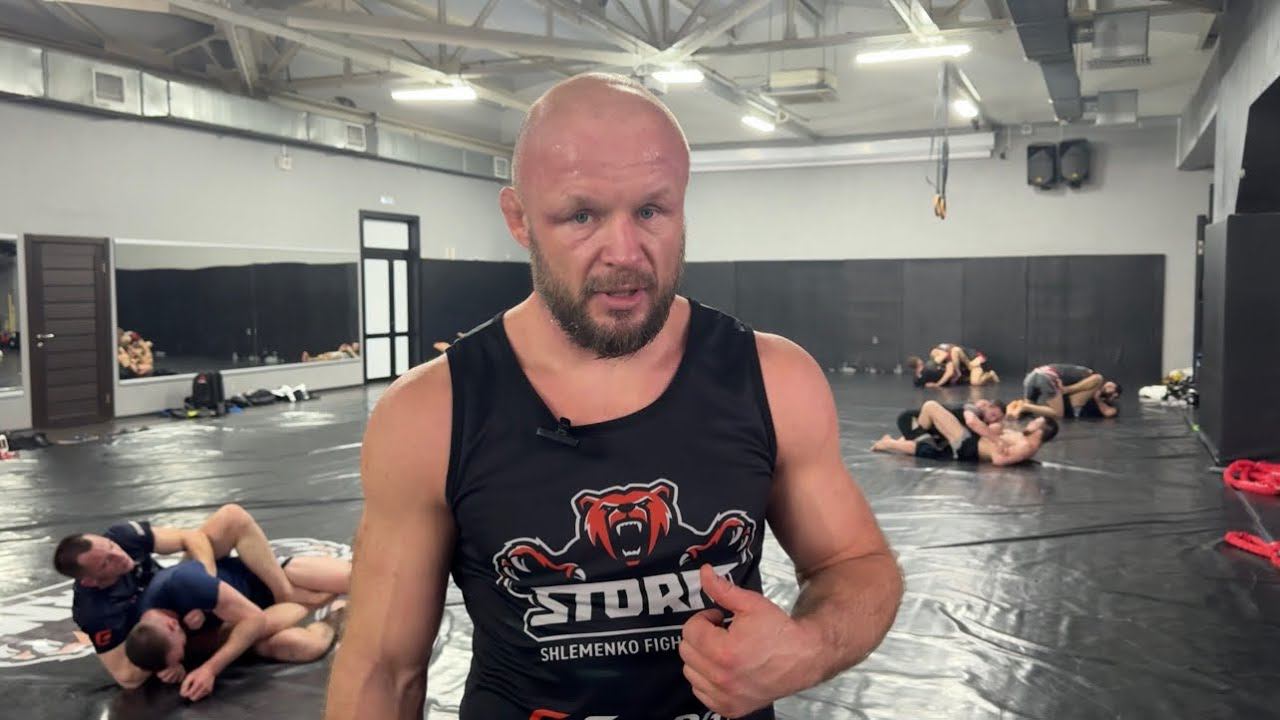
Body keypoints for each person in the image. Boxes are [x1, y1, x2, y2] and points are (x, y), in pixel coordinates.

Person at [325, 73, 903, 720]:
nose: (625, 253)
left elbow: (855, 562)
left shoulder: (772, 379)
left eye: (651, 211)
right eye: (582, 215)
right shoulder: (431, 414)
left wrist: (807, 648)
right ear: (519, 220)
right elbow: (382, 672)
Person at [52, 504, 348, 689]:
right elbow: (127, 676)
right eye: (107, 563)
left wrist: (205, 577)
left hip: (202, 594)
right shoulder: (96, 610)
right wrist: (165, 659)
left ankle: (290, 595)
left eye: (111, 547)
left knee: (232, 517)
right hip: (186, 628)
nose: (119, 556)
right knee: (301, 645)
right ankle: (330, 609)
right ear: (89, 580)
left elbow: (191, 537)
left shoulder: (124, 541)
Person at [124, 558, 346, 702]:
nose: (185, 648)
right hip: (255, 615)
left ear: (172, 625)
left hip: (273, 579)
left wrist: (210, 669)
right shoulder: (148, 628)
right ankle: (334, 614)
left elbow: (256, 619)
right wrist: (172, 667)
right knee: (303, 646)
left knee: (353, 579)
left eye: (181, 648)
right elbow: (152, 655)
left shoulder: (183, 585)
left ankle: (324, 605)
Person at [872, 400, 1058, 466]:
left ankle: (893, 442)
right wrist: (997, 434)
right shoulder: (1024, 440)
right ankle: (894, 442)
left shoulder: (1026, 446)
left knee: (930, 406)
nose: (1031, 422)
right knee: (930, 437)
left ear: (1040, 431)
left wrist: (996, 442)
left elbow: (999, 460)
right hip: (971, 441)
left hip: (968, 446)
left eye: (1035, 422)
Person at [1010, 363, 1122, 420]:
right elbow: (1096, 378)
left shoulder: (1110, 405)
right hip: (1046, 377)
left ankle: (1019, 408)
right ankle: (1024, 406)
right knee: (1057, 413)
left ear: (1115, 395)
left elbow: (1109, 413)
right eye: (1108, 384)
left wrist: (1097, 399)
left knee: (1025, 413)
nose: (1106, 386)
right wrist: (1066, 389)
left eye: (1111, 387)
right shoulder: (1090, 379)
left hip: (1033, 375)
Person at [895, 398, 1005, 439]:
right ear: (988, 406)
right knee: (925, 448)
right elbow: (971, 422)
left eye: (996, 419)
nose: (993, 420)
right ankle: (888, 443)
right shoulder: (974, 410)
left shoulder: (980, 415)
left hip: (921, 423)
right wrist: (996, 440)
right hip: (910, 419)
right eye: (993, 415)